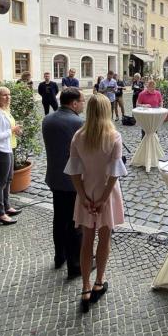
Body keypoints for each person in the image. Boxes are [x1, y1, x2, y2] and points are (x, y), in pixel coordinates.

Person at [64, 93, 127, 313]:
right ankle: (99, 281)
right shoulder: (114, 136)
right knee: (104, 239)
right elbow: (114, 174)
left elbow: (74, 172)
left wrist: (82, 196)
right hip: (106, 194)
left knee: (86, 241)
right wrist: (103, 198)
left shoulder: (78, 136)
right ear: (106, 111)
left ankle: (85, 288)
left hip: (85, 192)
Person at [42, 87, 86, 276]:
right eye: (82, 101)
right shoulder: (78, 122)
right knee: (75, 223)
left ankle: (60, 256)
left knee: (59, 220)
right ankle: (75, 266)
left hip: (54, 177)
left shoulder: (47, 119)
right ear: (74, 103)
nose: (83, 104)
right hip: (72, 181)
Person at [0, 86, 23, 226]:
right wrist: (11, 130)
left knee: (8, 179)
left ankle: (7, 207)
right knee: (0, 184)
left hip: (8, 148)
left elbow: (8, 130)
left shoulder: (5, 111)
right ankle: (0, 214)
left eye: (9, 95)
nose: (8, 97)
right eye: (4, 95)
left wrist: (16, 131)